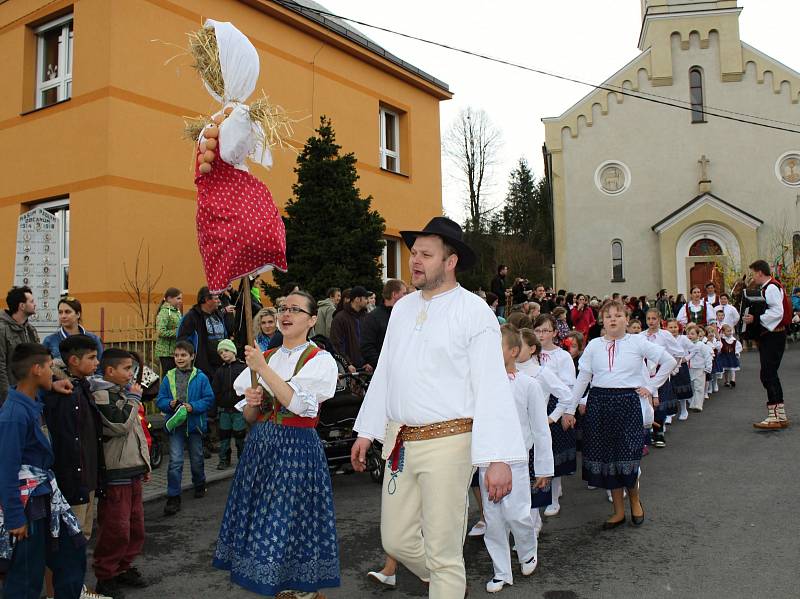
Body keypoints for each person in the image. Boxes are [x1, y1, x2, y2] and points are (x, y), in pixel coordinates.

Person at [351, 216, 525, 598]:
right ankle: (448, 584)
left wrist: (497, 457)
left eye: (426, 254)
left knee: (445, 549)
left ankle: (446, 583)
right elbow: (386, 373)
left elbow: (492, 385)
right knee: (395, 539)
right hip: (399, 440)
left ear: (450, 262)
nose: (415, 260)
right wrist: (367, 430)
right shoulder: (402, 309)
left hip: (451, 442)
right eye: (414, 253)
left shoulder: (474, 311)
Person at [214, 290, 340, 598]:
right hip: (260, 446)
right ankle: (282, 586)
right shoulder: (267, 358)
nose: (286, 314)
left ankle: (300, 588)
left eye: (295, 310)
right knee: (262, 519)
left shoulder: (320, 361)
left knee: (288, 520)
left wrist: (261, 369)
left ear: (312, 320)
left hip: (296, 448)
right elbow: (249, 415)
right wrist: (253, 402)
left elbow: (297, 404)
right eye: (283, 308)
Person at [572, 300, 676, 528]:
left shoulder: (637, 342)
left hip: (627, 404)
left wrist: (650, 386)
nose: (612, 319)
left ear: (626, 320)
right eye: (607, 315)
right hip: (600, 404)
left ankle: (635, 502)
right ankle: (618, 511)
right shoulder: (594, 345)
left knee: (628, 457)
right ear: (602, 321)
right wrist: (571, 408)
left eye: (618, 315)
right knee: (608, 460)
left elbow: (668, 361)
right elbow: (583, 379)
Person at [0, 343, 87, 599]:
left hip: (47, 498)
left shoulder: (30, 400)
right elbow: (6, 469)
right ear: (36, 369)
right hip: (28, 507)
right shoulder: (13, 416)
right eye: (50, 367)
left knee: (72, 554)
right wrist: (15, 518)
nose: (54, 372)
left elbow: (40, 394)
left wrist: (53, 386)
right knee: (26, 576)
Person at [482, 325, 553, 593]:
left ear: (513, 351)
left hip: (517, 462)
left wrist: (544, 467)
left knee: (517, 515)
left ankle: (527, 550)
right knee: (493, 521)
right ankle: (501, 571)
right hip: (487, 461)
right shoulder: (481, 384)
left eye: (497, 346)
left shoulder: (528, 385)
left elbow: (540, 429)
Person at [41, 335, 106, 599]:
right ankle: (58, 592)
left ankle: (75, 589)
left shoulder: (82, 386)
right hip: (71, 480)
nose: (97, 362)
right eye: (91, 357)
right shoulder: (60, 392)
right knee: (67, 544)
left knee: (81, 538)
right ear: (73, 360)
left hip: (88, 478)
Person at [91, 348, 151, 597]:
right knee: (116, 527)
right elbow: (119, 424)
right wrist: (134, 399)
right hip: (116, 474)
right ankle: (106, 575)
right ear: (110, 371)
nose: (131, 374)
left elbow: (137, 434)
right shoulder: (103, 395)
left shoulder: (123, 393)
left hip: (132, 470)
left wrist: (144, 465)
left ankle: (124, 567)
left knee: (136, 527)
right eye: (127, 369)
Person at [156, 341, 214, 516]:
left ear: (192, 356)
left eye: (183, 355)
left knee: (196, 459)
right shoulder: (168, 377)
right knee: (175, 462)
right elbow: (160, 400)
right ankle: (173, 496)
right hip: (175, 426)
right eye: (176, 355)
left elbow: (209, 399)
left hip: (194, 425)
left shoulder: (201, 377)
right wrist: (169, 403)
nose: (179, 358)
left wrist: (193, 407)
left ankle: (199, 483)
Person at [533, 313, 577, 518]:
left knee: (555, 450)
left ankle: (553, 496)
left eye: (545, 330)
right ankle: (542, 489)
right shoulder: (532, 354)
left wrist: (567, 411)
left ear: (555, 333)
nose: (541, 335)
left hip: (555, 403)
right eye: (538, 330)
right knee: (539, 449)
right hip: (535, 402)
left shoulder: (562, 356)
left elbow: (569, 385)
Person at [745, 259, 792, 429]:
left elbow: (777, 312)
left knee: (768, 373)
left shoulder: (771, 287)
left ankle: (774, 417)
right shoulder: (769, 287)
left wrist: (756, 319)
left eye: (753, 273)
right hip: (772, 335)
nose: (752, 277)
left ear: (759, 272)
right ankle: (780, 415)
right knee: (769, 373)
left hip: (773, 335)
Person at [641, 309, 684, 448]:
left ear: (659, 319)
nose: (651, 322)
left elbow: (678, 353)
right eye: (648, 319)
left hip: (660, 372)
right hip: (645, 373)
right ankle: (647, 432)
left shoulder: (665, 335)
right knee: (646, 403)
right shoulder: (641, 336)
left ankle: (659, 432)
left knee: (659, 403)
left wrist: (672, 369)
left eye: (654, 318)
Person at [177, 286, 233, 380]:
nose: (219, 301)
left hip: (222, 366)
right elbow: (182, 341)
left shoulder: (219, 314)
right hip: (202, 369)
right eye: (216, 298)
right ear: (207, 300)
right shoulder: (192, 317)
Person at [211, 339, 247, 470]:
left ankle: (243, 458)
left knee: (240, 435)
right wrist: (215, 406)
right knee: (224, 436)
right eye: (220, 353)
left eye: (226, 350)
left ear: (233, 351)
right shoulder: (220, 371)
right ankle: (224, 459)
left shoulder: (243, 368)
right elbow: (215, 390)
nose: (224, 354)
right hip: (224, 410)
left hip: (239, 409)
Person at [0, 286, 40, 405]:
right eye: (31, 301)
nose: (35, 304)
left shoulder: (31, 330)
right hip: (11, 397)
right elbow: (0, 366)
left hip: (30, 394)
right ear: (22, 306)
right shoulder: (2, 329)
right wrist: (8, 398)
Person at [42, 297, 104, 366]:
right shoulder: (50, 340)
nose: (63, 316)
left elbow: (100, 369)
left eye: (67, 312)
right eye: (60, 312)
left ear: (78, 314)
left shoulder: (94, 339)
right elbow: (44, 367)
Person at [361, 279, 406, 370]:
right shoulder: (373, 317)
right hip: (384, 371)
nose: (406, 296)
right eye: (404, 293)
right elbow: (367, 347)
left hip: (403, 369)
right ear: (394, 294)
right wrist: (383, 366)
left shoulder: (403, 316)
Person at [329, 285, 371, 371]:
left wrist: (370, 362)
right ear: (357, 299)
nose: (368, 301)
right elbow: (337, 345)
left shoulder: (366, 317)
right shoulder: (340, 318)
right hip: (349, 371)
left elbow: (370, 341)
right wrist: (347, 364)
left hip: (366, 369)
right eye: (365, 298)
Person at [155, 287, 183, 375]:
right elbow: (160, 331)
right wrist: (177, 332)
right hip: (166, 352)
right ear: (169, 299)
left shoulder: (177, 312)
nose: (180, 301)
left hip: (174, 351)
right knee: (168, 376)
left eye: (181, 298)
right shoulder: (164, 312)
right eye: (178, 298)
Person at [684, 324, 711, 413]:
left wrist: (708, 367)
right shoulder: (686, 345)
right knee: (691, 387)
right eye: (688, 334)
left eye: (692, 334)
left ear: (697, 334)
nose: (690, 336)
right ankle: (692, 403)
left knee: (699, 387)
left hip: (699, 368)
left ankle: (698, 405)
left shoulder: (701, 345)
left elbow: (707, 356)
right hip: (689, 369)